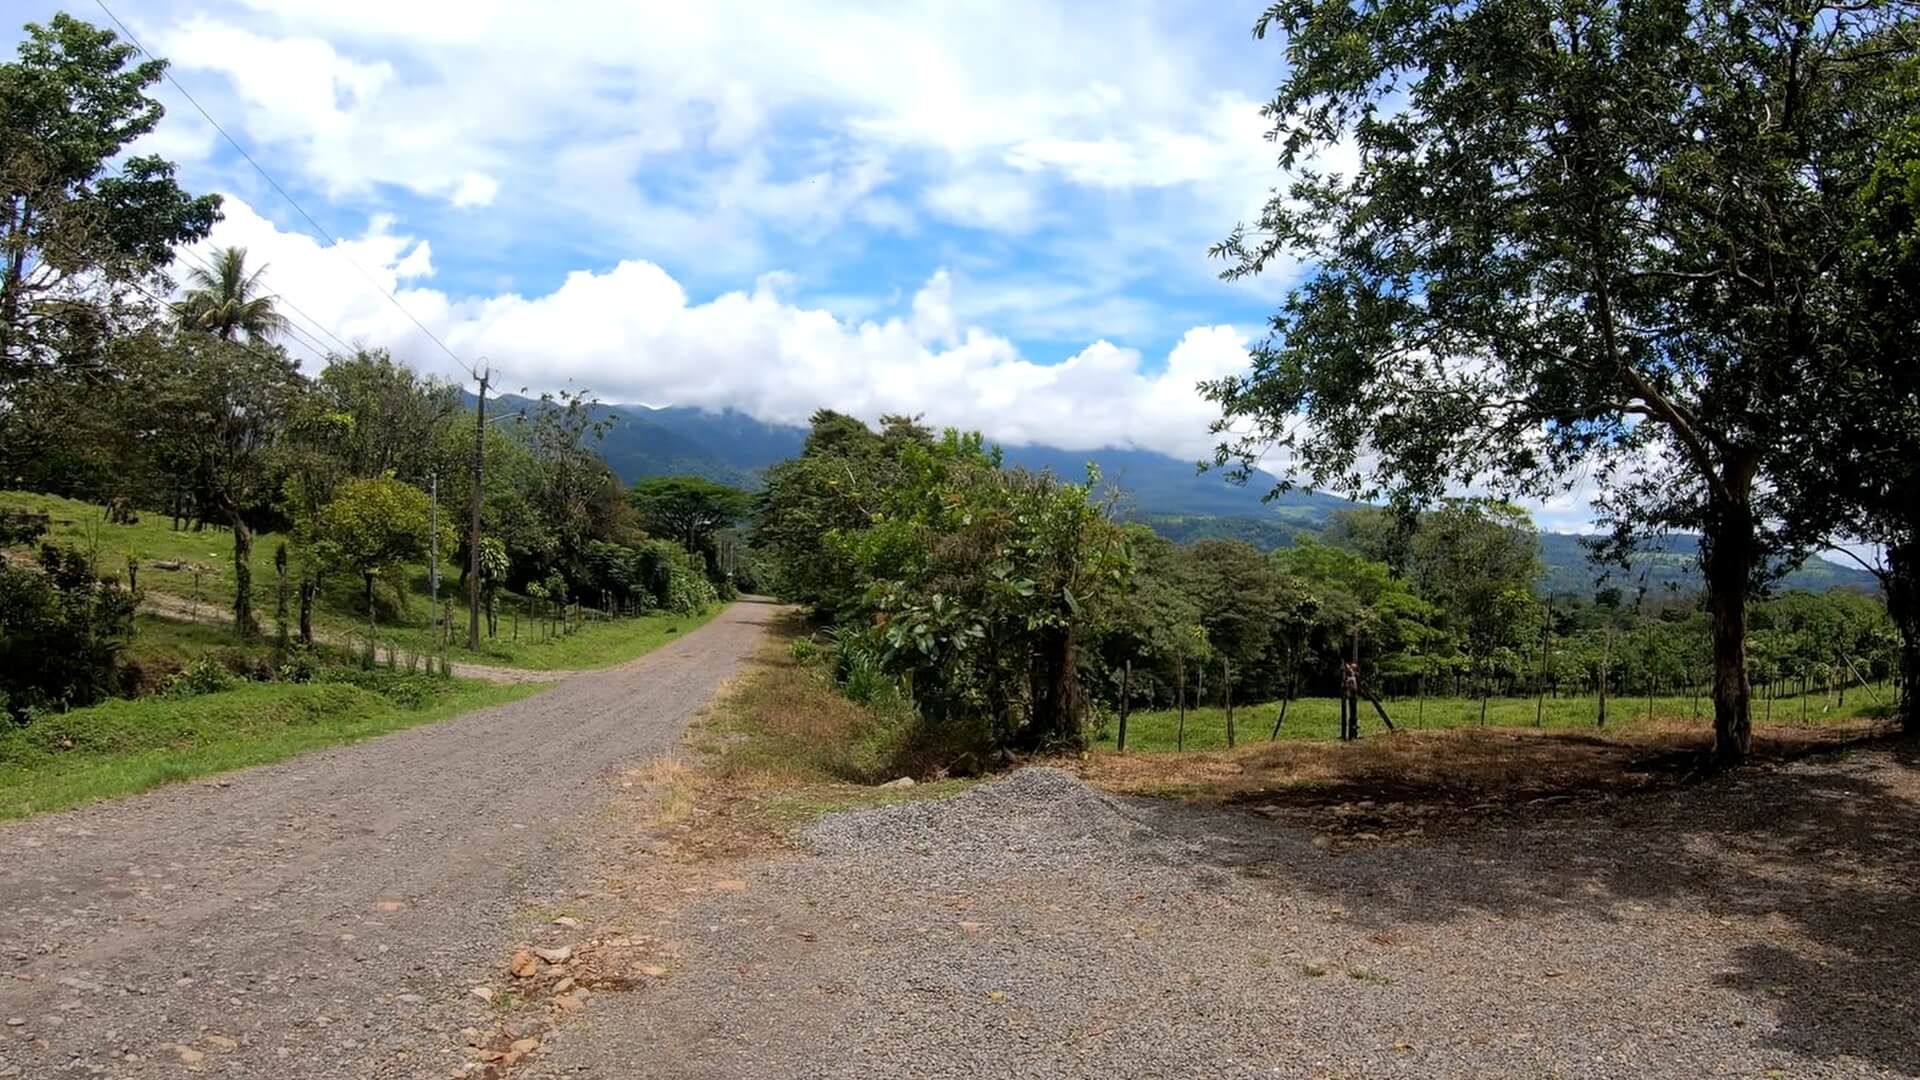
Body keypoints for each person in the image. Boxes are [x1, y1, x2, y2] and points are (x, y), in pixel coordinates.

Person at [1340, 660, 1360, 741]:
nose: (1350, 669)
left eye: (1353, 668)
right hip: (1351, 697)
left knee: (1353, 717)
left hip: (1353, 698)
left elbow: (1353, 687)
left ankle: (1352, 734)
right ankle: (1352, 734)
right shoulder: (1350, 678)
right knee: (1352, 716)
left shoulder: (1353, 678)